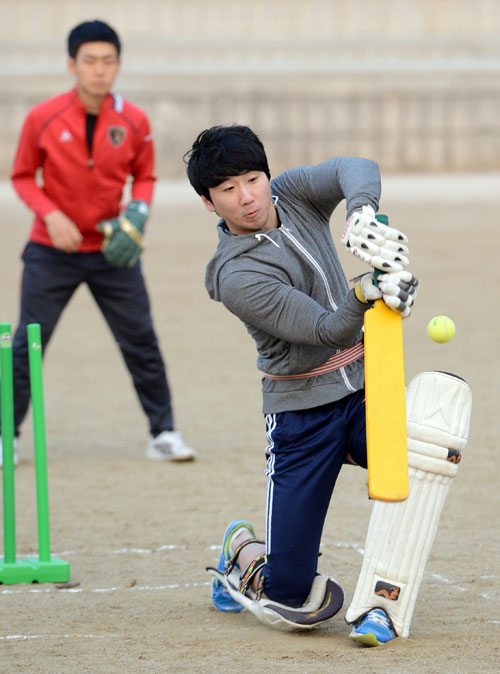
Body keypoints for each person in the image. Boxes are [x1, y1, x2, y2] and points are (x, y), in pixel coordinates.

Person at [184, 125, 471, 645]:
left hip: (364, 392)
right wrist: (371, 291)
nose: (247, 197)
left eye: (253, 178)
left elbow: (354, 166)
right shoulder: (236, 275)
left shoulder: (291, 194)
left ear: (267, 175)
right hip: (301, 417)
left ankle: (383, 605)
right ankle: (244, 553)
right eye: (227, 190)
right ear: (209, 203)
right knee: (290, 596)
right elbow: (322, 330)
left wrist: (359, 211)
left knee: (418, 461)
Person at [1, 20, 196, 465]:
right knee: (28, 342)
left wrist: (138, 212)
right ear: (72, 64)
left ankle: (163, 434)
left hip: (113, 252)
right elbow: (21, 177)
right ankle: (3, 434)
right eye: (89, 61)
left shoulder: (135, 120)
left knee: (141, 340)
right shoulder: (42, 117)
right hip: (51, 251)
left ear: (118, 66)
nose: (99, 70)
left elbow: (144, 175)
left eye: (108, 61)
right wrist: (50, 215)